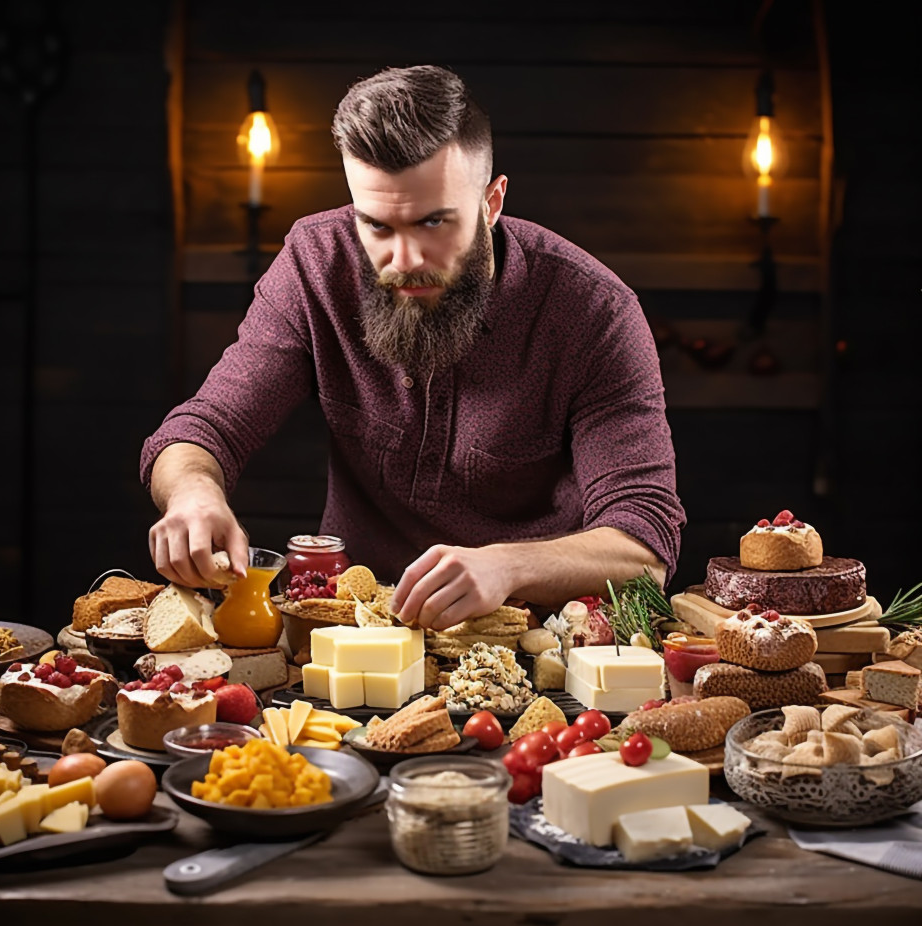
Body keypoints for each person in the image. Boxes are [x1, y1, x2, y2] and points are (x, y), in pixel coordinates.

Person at [141, 65, 685, 630]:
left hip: (536, 633)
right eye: (377, 226)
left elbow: (644, 545)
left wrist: (507, 566)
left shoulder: (594, 311)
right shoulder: (313, 264)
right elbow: (204, 429)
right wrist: (193, 494)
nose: (403, 261)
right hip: (349, 626)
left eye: (432, 223)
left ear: (492, 201)